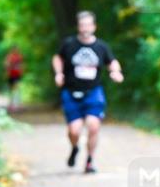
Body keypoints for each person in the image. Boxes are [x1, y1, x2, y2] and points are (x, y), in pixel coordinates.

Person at [52, 11, 123, 174]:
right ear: (78, 26)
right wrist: (59, 73)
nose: (85, 28)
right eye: (82, 25)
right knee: (74, 130)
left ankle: (90, 161)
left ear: (94, 26)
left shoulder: (101, 46)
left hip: (93, 92)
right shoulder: (69, 44)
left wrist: (116, 72)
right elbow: (57, 58)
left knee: (93, 126)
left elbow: (112, 61)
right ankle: (75, 147)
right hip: (71, 92)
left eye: (88, 25)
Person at [4, 46, 24, 112]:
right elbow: (6, 64)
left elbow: (22, 65)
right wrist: (7, 71)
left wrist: (21, 71)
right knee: (11, 89)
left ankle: (16, 105)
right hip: (11, 75)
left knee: (16, 88)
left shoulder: (19, 56)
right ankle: (11, 104)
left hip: (17, 75)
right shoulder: (9, 56)